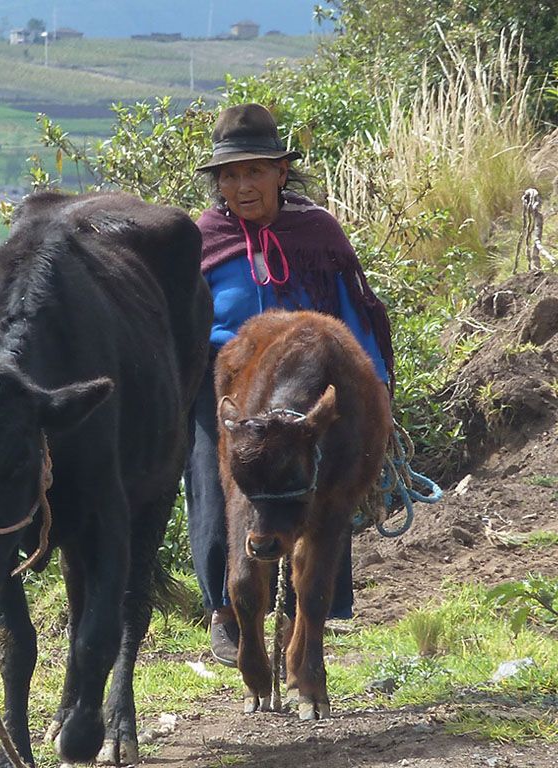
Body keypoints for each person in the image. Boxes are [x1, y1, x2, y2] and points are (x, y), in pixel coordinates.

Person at [185, 103, 394, 666]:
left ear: (282, 171)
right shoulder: (202, 238)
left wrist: (376, 389)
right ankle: (228, 607)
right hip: (227, 387)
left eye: (255, 170)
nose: (242, 185)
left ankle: (308, 617)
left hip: (309, 391)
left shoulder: (317, 231)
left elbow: (355, 313)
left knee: (325, 497)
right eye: (230, 174)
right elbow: (179, 325)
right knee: (213, 488)